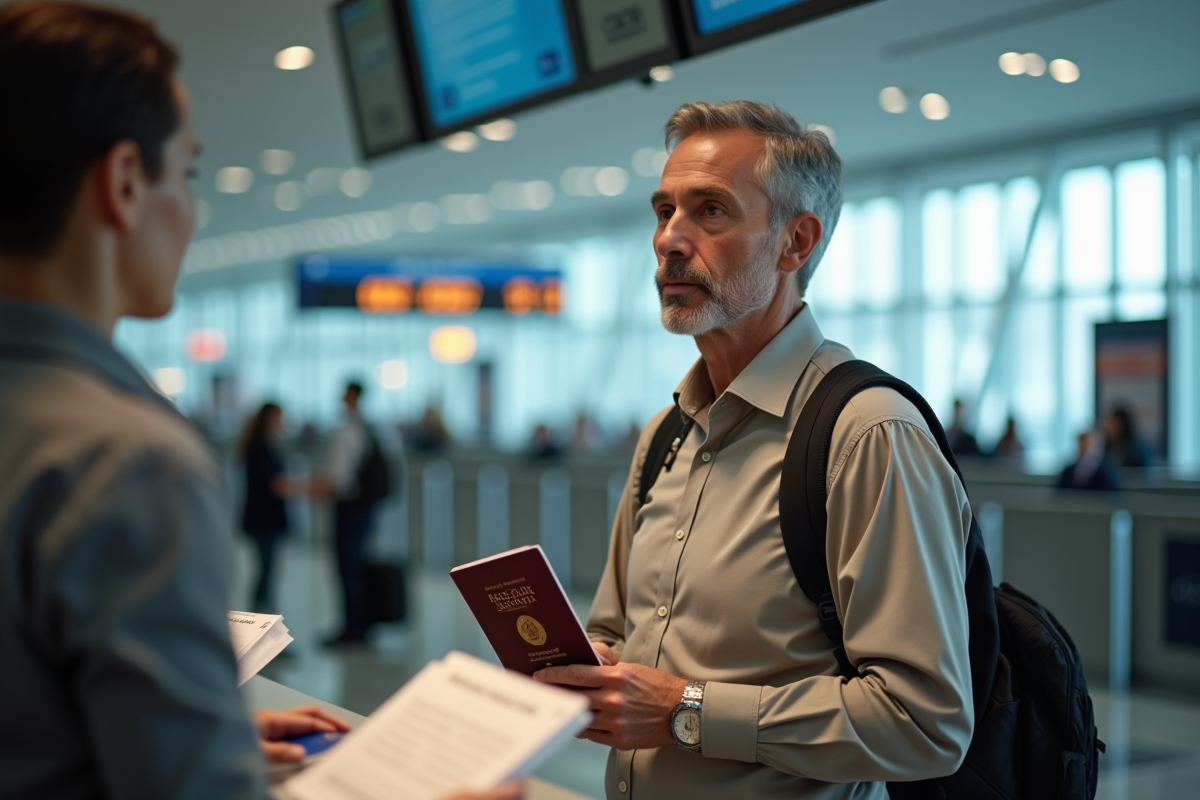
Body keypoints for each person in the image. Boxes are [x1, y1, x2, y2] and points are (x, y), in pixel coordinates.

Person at [0, 5, 517, 800]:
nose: (193, 209)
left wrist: (200, 732)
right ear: (126, 183)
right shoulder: (124, 460)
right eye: (189, 173)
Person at [535, 101, 973, 799]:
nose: (670, 239)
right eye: (664, 210)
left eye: (710, 211)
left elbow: (924, 723)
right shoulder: (667, 433)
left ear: (795, 243)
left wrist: (687, 712)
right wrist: (588, 669)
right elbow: (620, 634)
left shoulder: (866, 437)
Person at [318, 381, 380, 646]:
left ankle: (352, 628)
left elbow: (339, 479)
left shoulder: (346, 432)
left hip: (349, 508)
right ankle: (361, 625)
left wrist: (316, 488)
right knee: (357, 564)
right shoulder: (373, 428)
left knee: (347, 567)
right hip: (366, 508)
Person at [239, 401, 301, 612]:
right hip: (263, 520)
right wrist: (308, 487)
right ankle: (261, 626)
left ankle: (263, 627)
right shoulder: (260, 448)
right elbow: (274, 484)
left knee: (267, 573)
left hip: (266, 519)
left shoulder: (266, 445)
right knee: (266, 573)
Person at [1057, 429, 1122, 492]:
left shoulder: (1107, 473)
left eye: (1089, 443)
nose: (1085, 447)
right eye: (1082, 443)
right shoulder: (1068, 472)